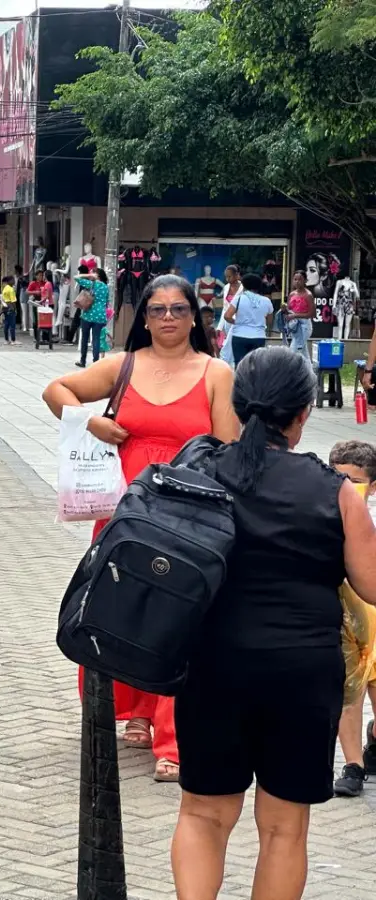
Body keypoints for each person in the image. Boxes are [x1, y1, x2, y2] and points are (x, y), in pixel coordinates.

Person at [168, 347, 376, 900]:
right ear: (303, 413)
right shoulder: (334, 491)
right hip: (301, 673)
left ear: (237, 408)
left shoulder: (198, 473)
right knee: (285, 827)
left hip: (212, 664)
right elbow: (372, 586)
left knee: (203, 813)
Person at [43, 274, 238, 782]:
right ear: (143, 317)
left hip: (185, 518)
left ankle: (173, 738)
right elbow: (55, 389)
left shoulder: (216, 372)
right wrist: (91, 421)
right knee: (118, 608)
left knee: (180, 617)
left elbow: (228, 450)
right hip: (123, 512)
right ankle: (133, 711)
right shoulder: (122, 366)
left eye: (178, 309)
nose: (168, 318)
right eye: (157, 309)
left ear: (195, 316)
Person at [328, 440, 376, 797]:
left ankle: (373, 737)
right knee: (351, 690)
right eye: (337, 476)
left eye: (354, 479)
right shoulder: (323, 509)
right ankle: (353, 764)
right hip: (346, 613)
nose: (345, 485)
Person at [224, 272, 273, 365]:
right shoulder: (266, 301)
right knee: (256, 365)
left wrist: (237, 322)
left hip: (239, 336)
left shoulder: (238, 299)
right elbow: (270, 320)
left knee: (240, 365)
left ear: (244, 286)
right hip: (258, 337)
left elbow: (227, 316)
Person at [74, 264, 109, 367]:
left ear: (96, 275)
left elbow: (76, 277)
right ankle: (96, 363)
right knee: (96, 339)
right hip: (100, 316)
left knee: (85, 338)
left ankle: (83, 361)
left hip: (88, 315)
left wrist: (88, 275)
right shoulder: (106, 287)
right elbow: (107, 302)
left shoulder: (92, 284)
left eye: (93, 273)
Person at [283, 270, 314, 364]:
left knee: (293, 350)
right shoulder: (292, 294)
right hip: (294, 324)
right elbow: (289, 310)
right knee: (303, 351)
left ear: (305, 281)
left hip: (304, 325)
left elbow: (312, 314)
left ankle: (290, 372)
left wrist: (295, 315)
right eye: (295, 279)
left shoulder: (308, 295)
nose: (297, 282)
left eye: (300, 279)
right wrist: (285, 310)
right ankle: (310, 372)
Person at [0, 276, 20, 345]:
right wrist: (15, 309)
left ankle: (6, 340)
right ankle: (13, 340)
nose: (14, 281)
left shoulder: (5, 288)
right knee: (12, 325)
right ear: (9, 281)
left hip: (5, 308)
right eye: (13, 280)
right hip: (11, 308)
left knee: (6, 324)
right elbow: (13, 301)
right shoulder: (11, 290)